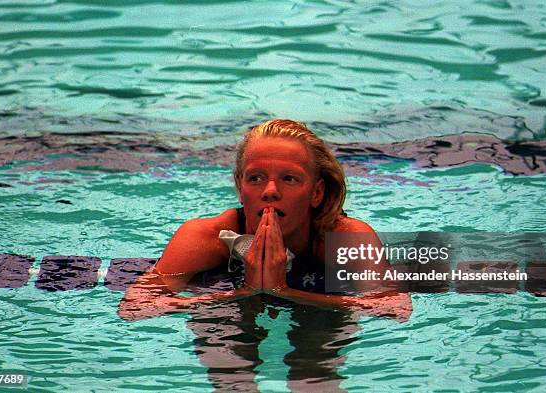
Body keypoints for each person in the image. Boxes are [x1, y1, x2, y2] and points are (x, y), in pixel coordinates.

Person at [118, 119, 411, 391]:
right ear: (239, 187)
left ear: (316, 192)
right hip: (229, 304)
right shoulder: (206, 238)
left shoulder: (342, 238)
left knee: (313, 372)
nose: (270, 191)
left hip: (317, 309)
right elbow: (135, 307)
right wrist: (243, 293)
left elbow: (395, 309)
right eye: (256, 178)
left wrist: (281, 291)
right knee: (228, 357)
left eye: (290, 179)